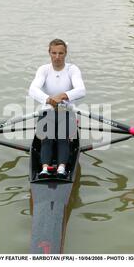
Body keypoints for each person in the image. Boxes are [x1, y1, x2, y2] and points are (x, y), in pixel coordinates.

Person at [29, 39, 86, 178]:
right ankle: (44, 169)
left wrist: (64, 95)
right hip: (47, 110)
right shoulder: (43, 70)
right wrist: (48, 99)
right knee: (47, 138)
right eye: (54, 53)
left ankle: (61, 168)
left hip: (66, 111)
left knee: (62, 137)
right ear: (49, 53)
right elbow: (32, 89)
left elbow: (81, 90)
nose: (57, 57)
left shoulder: (72, 69)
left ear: (65, 53)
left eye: (61, 53)